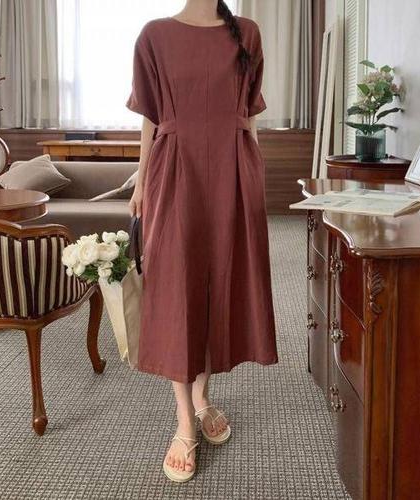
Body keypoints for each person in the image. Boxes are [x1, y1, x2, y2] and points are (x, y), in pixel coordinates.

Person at [127, 0, 278, 482]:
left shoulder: (246, 33)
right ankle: (184, 421)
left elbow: (250, 116)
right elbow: (150, 117)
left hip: (233, 172)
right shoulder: (154, 35)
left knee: (217, 286)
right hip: (175, 173)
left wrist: (254, 178)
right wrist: (140, 181)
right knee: (178, 289)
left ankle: (202, 397)